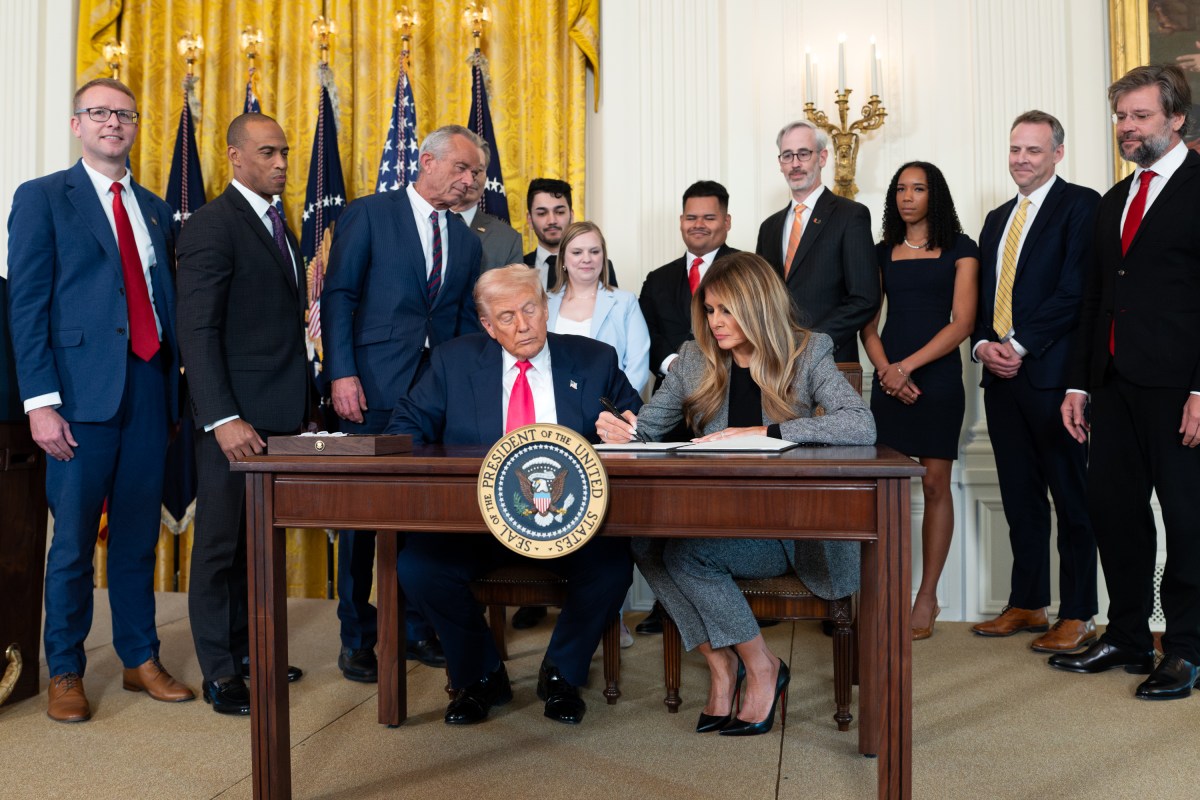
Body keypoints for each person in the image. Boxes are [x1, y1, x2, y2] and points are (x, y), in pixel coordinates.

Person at [599, 252, 876, 736]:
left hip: (793, 528)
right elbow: (648, 429)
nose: (716, 322)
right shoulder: (694, 358)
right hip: (721, 517)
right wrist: (625, 431)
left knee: (687, 557)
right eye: (709, 311)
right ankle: (723, 663)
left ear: (758, 305)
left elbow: (860, 423)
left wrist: (766, 431)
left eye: (727, 310)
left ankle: (763, 666)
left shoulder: (807, 351)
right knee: (642, 542)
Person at [6, 78, 193, 722]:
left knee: (139, 534)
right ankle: (64, 669)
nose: (113, 123)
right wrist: (40, 401)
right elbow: (26, 305)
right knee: (75, 541)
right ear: (76, 124)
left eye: (124, 114)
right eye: (99, 113)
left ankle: (142, 658)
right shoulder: (41, 198)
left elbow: (159, 301)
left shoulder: (155, 207)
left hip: (148, 386)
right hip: (77, 396)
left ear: (135, 126)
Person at [386, 264, 640, 725]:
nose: (523, 325)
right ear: (487, 325)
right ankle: (481, 673)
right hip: (477, 522)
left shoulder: (594, 360)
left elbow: (640, 423)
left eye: (530, 309)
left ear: (547, 308)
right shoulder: (451, 362)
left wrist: (627, 430)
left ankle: (562, 672)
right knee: (418, 566)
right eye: (506, 317)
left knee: (613, 567)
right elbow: (405, 428)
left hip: (571, 523)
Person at [1055, 65, 1200, 700]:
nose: (1128, 127)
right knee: (1114, 513)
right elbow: (1095, 301)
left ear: (1177, 119)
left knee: (1189, 521)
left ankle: (1189, 650)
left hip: (1181, 390)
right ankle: (1130, 636)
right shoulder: (1114, 199)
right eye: (1121, 117)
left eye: (1141, 115)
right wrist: (1079, 385)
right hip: (1112, 386)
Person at [322, 125, 486, 679]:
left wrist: (463, 398)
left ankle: (417, 627)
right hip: (368, 388)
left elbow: (464, 328)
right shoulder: (370, 213)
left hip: (433, 400)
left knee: (424, 514)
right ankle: (356, 636)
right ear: (428, 161)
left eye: (476, 174)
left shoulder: (466, 241)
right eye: (461, 169)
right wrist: (341, 373)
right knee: (360, 518)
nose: (469, 182)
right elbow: (339, 296)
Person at [176, 112, 310, 715]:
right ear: (234, 156)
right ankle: (222, 672)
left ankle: (250, 649)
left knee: (259, 545)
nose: (281, 162)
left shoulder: (283, 224)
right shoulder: (212, 225)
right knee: (220, 546)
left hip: (280, 417)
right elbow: (197, 331)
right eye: (267, 152)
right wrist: (222, 418)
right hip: (233, 423)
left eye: (284, 152)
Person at [969, 112, 1101, 651]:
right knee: (1020, 497)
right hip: (1001, 381)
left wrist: (1018, 345)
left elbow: (1075, 292)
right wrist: (983, 345)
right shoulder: (997, 218)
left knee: (1071, 499)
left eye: (1034, 150)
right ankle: (1027, 603)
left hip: (1052, 379)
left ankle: (1078, 612)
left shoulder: (1081, 205)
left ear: (1057, 154)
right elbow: (983, 297)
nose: (1021, 159)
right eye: (1015, 149)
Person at [859, 162, 978, 641]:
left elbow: (962, 323)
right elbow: (866, 323)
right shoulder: (880, 250)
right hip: (888, 378)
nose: (908, 197)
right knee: (882, 491)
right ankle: (883, 592)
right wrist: (888, 370)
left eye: (919, 188)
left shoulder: (961, 248)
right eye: (901, 189)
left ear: (936, 195)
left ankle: (925, 595)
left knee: (934, 486)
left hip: (939, 380)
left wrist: (906, 368)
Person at [635, 179, 739, 634]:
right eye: (691, 217)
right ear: (681, 222)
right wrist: (680, 365)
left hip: (735, 408)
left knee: (720, 508)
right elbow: (649, 334)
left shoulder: (746, 270)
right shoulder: (657, 279)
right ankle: (670, 602)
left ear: (726, 222)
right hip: (672, 410)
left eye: (709, 217)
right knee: (668, 507)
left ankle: (727, 598)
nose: (699, 225)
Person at [754, 120, 879, 363]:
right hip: (776, 362)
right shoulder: (769, 228)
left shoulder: (850, 215)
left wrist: (813, 344)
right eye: (787, 156)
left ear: (822, 158)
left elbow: (865, 297)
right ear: (780, 163)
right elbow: (762, 298)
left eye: (803, 153)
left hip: (830, 360)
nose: (795, 163)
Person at [547, 221, 650, 392]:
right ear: (563, 258)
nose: (587, 259)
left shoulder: (626, 303)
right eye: (577, 252)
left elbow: (637, 368)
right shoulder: (545, 303)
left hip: (610, 409)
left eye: (594, 251)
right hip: (555, 407)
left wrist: (613, 409)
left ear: (603, 256)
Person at [523, 178, 617, 288]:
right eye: (542, 213)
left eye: (560, 212)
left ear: (571, 216)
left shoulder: (599, 265)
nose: (552, 220)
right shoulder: (519, 267)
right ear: (529, 219)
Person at [452, 141, 523, 271]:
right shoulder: (425, 222)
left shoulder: (507, 239)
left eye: (478, 170)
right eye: (463, 168)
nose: (472, 178)